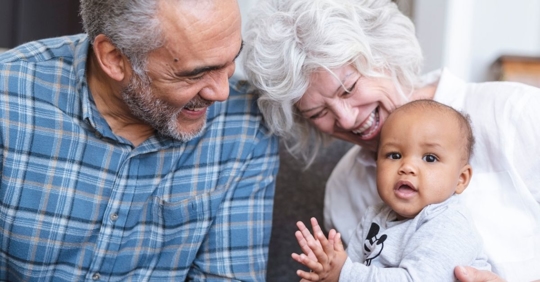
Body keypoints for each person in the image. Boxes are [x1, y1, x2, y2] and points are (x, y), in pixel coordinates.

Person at [241, 0, 540, 281]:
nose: (345, 119)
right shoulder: (343, 190)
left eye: (348, 88)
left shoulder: (517, 114)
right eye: (318, 112)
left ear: (384, 55)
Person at [0, 0, 279, 280]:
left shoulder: (245, 125)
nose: (221, 93)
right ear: (113, 58)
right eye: (196, 73)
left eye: (230, 62)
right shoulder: (9, 100)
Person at [291, 100, 491, 281]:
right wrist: (326, 271)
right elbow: (352, 270)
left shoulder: (448, 223)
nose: (407, 167)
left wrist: (343, 272)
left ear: (461, 179)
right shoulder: (375, 216)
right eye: (394, 155)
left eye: (430, 158)